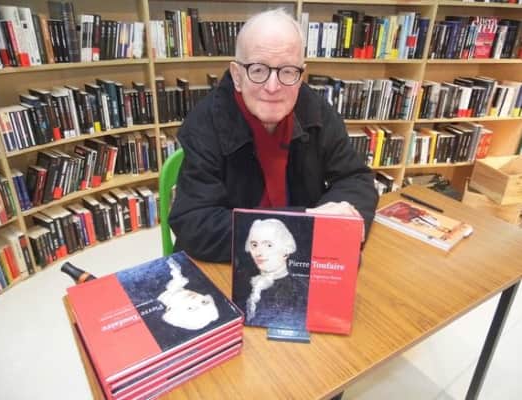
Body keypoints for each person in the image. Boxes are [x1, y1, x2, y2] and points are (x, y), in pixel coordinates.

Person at [169, 8, 379, 262]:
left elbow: (355, 178)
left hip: (298, 259)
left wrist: (340, 219)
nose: (272, 87)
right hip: (229, 261)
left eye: (287, 71)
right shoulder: (204, 124)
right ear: (237, 76)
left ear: (301, 75)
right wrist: (306, 224)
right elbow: (194, 223)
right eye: (258, 70)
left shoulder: (317, 111)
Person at [237, 218, 308, 329]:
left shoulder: (300, 291)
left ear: (286, 251)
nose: (258, 253)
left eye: (268, 245)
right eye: (254, 245)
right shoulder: (245, 284)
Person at [157, 258, 219, 330]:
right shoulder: (189, 273)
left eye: (190, 308)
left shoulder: (151, 295)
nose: (195, 299)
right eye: (203, 302)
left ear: (170, 311)